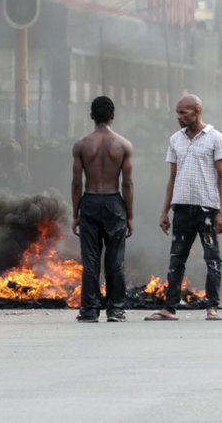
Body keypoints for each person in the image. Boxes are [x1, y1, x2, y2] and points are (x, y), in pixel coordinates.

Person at [145, 94, 222, 321]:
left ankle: (212, 307)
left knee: (212, 258)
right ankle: (169, 308)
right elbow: (172, 178)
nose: (178, 117)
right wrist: (165, 211)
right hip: (181, 209)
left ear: (197, 112)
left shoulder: (215, 138)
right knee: (176, 259)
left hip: (207, 209)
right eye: (177, 112)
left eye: (183, 112)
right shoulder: (175, 140)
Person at [71, 96, 134, 323]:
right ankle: (116, 310)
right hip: (114, 203)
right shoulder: (123, 145)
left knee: (90, 260)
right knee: (115, 260)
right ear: (112, 116)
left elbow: (77, 183)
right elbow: (127, 183)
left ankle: (89, 310)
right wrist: (130, 216)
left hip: (89, 202)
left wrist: (75, 213)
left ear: (91, 116)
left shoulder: (81, 145)